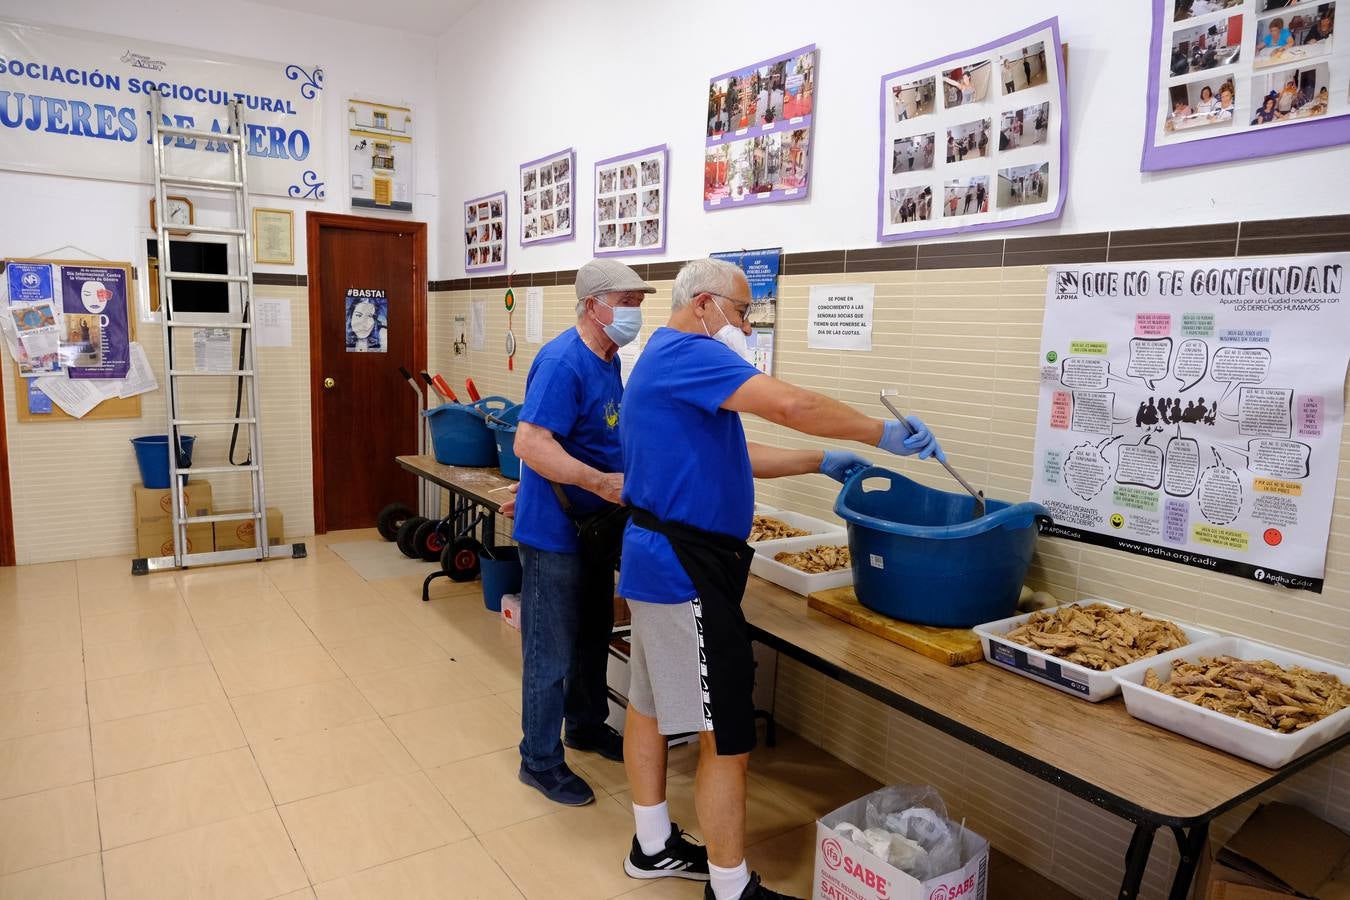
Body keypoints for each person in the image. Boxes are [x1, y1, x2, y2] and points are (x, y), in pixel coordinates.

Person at [616, 259, 945, 900]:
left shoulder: (664, 355)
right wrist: (882, 433)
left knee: (649, 707)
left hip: (660, 562)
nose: (746, 324)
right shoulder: (690, 352)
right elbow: (792, 403)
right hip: (685, 572)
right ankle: (731, 887)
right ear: (706, 304)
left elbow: (733, 453)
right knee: (727, 733)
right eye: (744, 312)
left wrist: (821, 460)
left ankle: (652, 847)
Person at [511, 259, 656, 807]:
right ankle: (540, 759)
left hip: (594, 528)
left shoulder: (608, 359)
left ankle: (587, 725)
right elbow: (530, 443)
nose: (634, 313)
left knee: (595, 635)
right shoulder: (562, 362)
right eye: (627, 302)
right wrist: (598, 481)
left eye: (639, 304)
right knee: (550, 653)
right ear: (593, 304)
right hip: (555, 533)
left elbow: (582, 437)